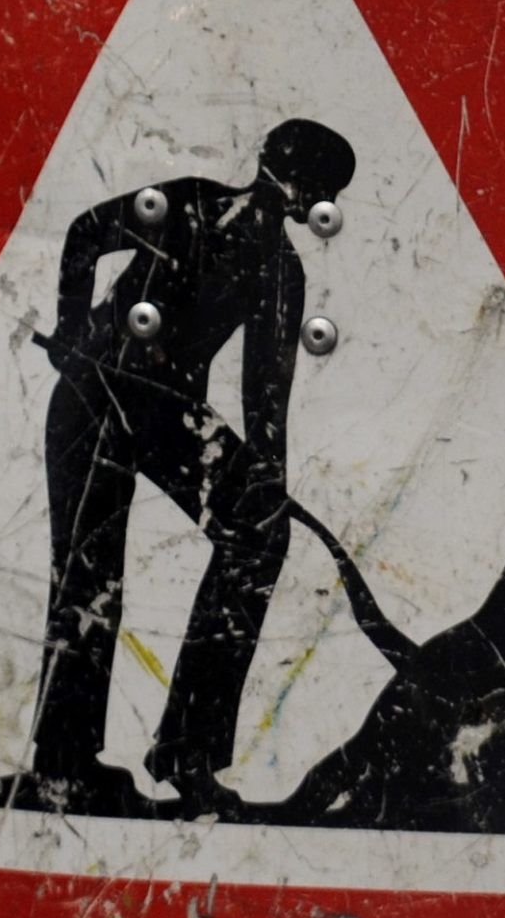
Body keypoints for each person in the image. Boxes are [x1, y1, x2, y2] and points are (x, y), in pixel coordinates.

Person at [32, 118, 356, 815]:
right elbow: (88, 232)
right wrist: (69, 329)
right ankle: (64, 764)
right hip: (96, 391)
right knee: (92, 576)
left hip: (163, 413)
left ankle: (186, 750)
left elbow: (265, 399)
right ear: (310, 195)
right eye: (318, 189)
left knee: (260, 533)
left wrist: (267, 487)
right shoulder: (193, 205)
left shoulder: (269, 262)